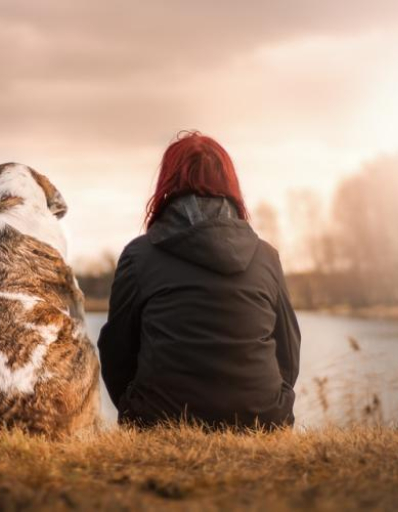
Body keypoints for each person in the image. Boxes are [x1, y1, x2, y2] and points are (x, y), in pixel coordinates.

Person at [97, 131, 301, 430]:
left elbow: (116, 351)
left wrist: (135, 408)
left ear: (167, 183)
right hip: (262, 420)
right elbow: (288, 351)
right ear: (230, 184)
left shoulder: (139, 256)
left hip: (159, 419)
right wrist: (271, 404)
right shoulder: (265, 256)